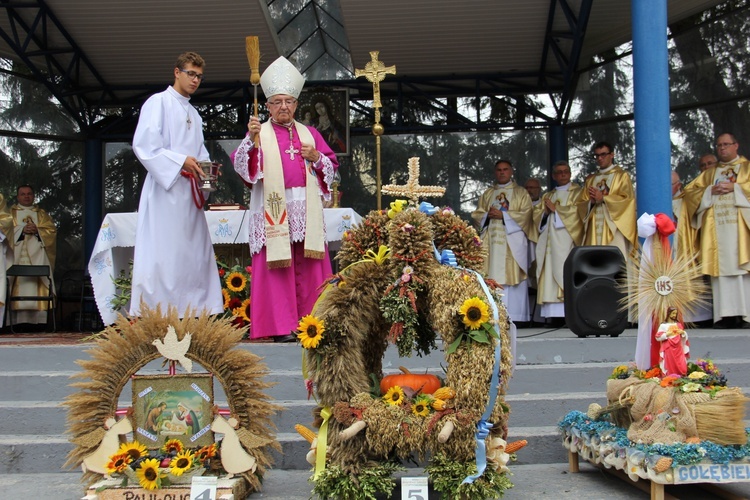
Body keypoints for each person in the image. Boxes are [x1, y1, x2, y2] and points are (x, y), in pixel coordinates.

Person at [231, 56, 339, 342]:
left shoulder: (310, 134)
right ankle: (281, 327)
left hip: (306, 208)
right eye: (277, 102)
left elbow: (331, 168)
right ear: (267, 106)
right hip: (274, 208)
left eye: (288, 102)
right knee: (278, 265)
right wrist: (250, 142)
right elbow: (245, 170)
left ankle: (313, 321)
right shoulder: (259, 133)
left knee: (310, 263)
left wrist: (316, 157)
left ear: (295, 104)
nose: (283, 107)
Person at [128, 52, 223, 320]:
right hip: (165, 192)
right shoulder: (157, 103)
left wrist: (208, 172)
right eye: (191, 74)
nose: (195, 80)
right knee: (165, 253)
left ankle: (193, 310)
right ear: (176, 72)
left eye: (199, 76)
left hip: (189, 195)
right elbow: (144, 146)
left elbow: (200, 152)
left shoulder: (193, 113)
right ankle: (159, 311)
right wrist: (181, 161)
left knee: (191, 255)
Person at [683, 133, 750, 329]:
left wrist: (735, 187)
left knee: (742, 271)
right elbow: (689, 193)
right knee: (720, 272)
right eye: (719, 145)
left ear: (736, 145)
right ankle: (724, 316)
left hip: (740, 230)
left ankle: (746, 316)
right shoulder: (710, 174)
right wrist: (708, 191)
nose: (722, 148)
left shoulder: (746, 168)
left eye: (726, 144)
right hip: (718, 230)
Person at [472, 160, 535, 324]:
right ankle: (493, 316)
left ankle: (516, 317)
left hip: (511, 242)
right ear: (495, 172)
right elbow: (478, 215)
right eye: (499, 170)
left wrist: (504, 216)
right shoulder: (487, 194)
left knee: (512, 277)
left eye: (505, 169)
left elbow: (527, 215)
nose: (502, 172)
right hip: (491, 243)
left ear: (511, 171)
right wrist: (487, 215)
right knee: (491, 274)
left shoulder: (521, 193)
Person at [0, 185, 57, 326]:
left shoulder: (42, 214)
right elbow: (4, 231)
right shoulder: (9, 214)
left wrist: (38, 231)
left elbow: (51, 231)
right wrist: (21, 230)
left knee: (39, 283)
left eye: (29, 194)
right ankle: (14, 323)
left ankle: (39, 322)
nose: (26, 196)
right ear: (18, 196)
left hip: (37, 256)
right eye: (23, 194)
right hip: (16, 256)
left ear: (33, 196)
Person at [534, 161, 582, 323]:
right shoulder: (548, 195)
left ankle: (568, 315)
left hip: (566, 243)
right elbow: (536, 219)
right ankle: (553, 316)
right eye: (559, 172)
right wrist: (546, 214)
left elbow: (579, 214)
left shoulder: (578, 193)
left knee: (564, 271)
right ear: (554, 176)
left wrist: (557, 210)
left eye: (565, 171)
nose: (562, 174)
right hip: (549, 243)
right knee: (548, 275)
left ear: (570, 174)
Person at [576, 141, 637, 261]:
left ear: (612, 155)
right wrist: (591, 202)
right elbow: (580, 205)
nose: (600, 158)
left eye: (603, 154)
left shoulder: (621, 176)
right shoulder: (591, 179)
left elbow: (627, 200)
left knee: (614, 263)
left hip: (613, 227)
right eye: (597, 155)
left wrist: (604, 198)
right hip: (593, 229)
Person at [655, 307, 689, 377]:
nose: (674, 315)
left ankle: (681, 376)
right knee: (670, 364)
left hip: (678, 348)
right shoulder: (663, 326)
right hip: (669, 347)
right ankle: (670, 378)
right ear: (669, 313)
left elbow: (683, 337)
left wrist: (682, 333)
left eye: (676, 314)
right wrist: (667, 334)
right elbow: (657, 337)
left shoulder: (678, 324)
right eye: (673, 313)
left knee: (682, 365)